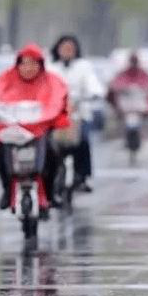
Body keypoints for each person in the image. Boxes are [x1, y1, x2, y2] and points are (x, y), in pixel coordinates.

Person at [0, 43, 70, 216]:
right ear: (18, 64)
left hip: (40, 131)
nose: (28, 68)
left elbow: (59, 100)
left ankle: (50, 192)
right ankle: (7, 189)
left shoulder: (51, 82)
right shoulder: (4, 81)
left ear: (40, 64)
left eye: (33, 63)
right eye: (24, 63)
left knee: (54, 153)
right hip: (12, 130)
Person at [48, 35, 105, 193]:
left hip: (79, 113)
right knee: (48, 144)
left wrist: (94, 93)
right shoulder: (51, 67)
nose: (67, 51)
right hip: (55, 114)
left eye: (70, 49)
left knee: (84, 141)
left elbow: (92, 83)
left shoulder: (84, 66)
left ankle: (82, 175)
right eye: (64, 48)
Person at [107, 53, 148, 118]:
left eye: (135, 61)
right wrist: (123, 88)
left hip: (140, 103)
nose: (134, 64)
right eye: (132, 61)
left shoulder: (143, 73)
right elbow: (115, 84)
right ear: (130, 61)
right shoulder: (123, 73)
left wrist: (146, 88)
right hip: (126, 103)